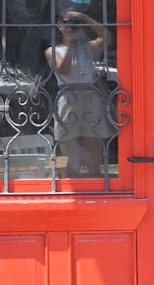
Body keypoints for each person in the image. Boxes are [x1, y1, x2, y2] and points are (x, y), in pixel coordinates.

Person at [45, 11, 113, 177]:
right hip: (67, 99)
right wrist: (70, 44)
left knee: (94, 144)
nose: (71, 27)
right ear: (59, 26)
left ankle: (95, 178)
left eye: (74, 25)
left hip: (90, 97)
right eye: (68, 23)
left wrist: (84, 17)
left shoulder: (89, 48)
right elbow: (63, 69)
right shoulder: (52, 50)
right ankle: (73, 181)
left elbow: (108, 37)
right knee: (70, 146)